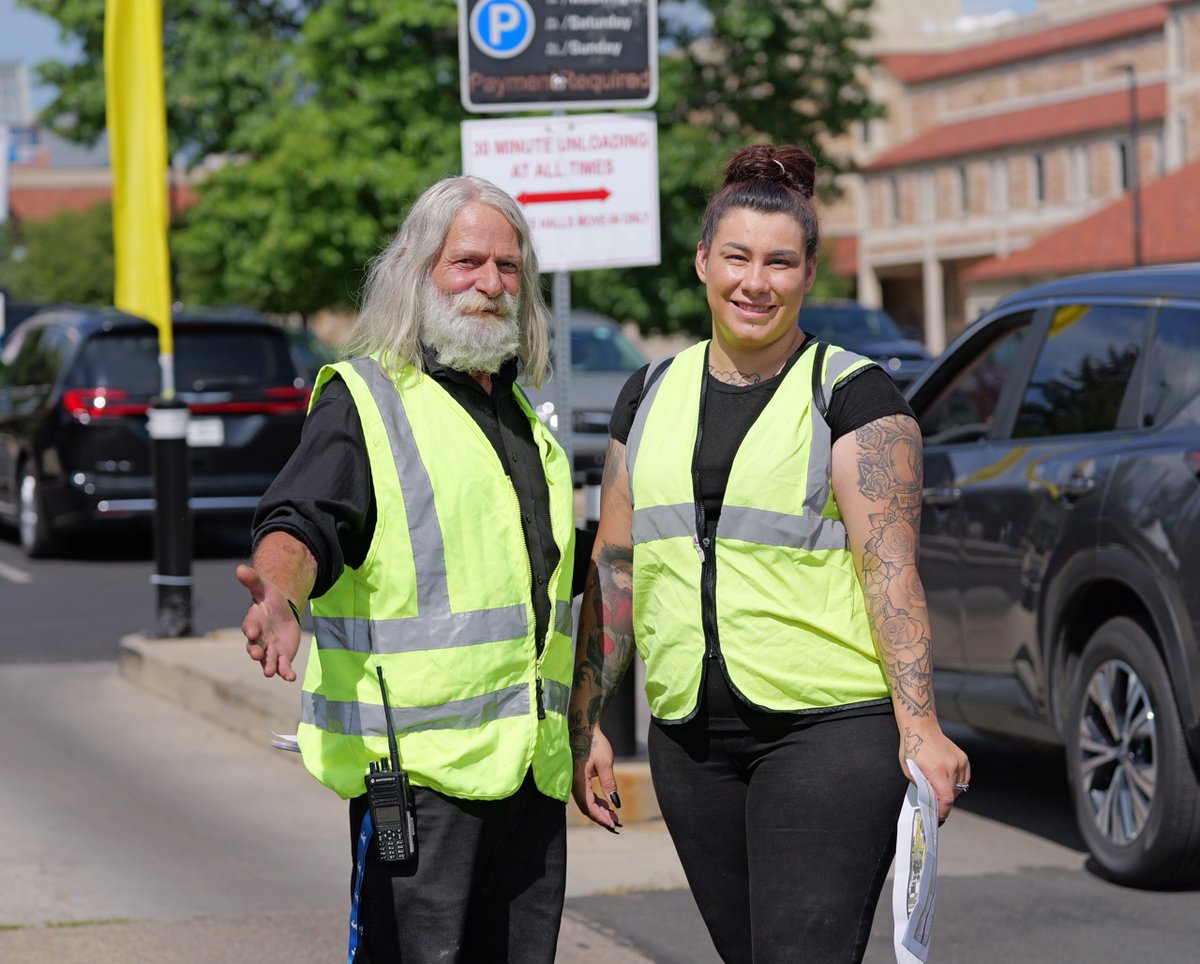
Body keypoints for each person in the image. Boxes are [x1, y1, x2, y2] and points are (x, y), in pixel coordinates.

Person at [567, 145, 971, 963]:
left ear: (808, 273)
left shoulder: (854, 394)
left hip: (829, 733)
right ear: (703, 262)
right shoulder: (646, 393)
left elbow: (890, 572)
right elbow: (614, 565)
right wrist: (586, 723)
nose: (757, 282)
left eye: (781, 262)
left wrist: (921, 725)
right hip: (691, 740)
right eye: (738, 257)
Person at [238, 174, 590, 963]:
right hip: (417, 784)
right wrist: (279, 594)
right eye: (467, 262)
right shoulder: (366, 400)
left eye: (508, 267)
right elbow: (301, 521)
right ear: (415, 265)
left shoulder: (521, 418)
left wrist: (582, 729)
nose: (491, 285)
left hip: (529, 775)